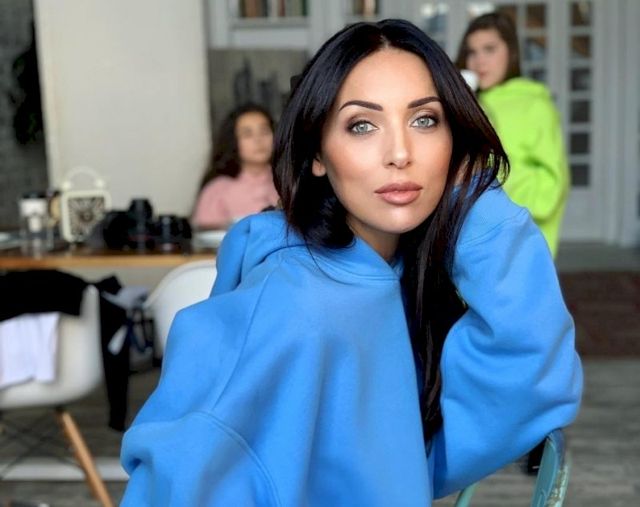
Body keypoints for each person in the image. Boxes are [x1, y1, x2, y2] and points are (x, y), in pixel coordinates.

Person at [120, 19, 582, 506]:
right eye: (362, 125)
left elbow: (526, 387)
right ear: (318, 153)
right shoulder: (299, 304)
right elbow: (178, 480)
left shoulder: (392, 274)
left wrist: (475, 204)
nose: (400, 153)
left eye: (425, 120)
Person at [456, 11, 570, 258]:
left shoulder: (535, 106)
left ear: (511, 52)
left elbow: (550, 190)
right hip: (465, 233)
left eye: (489, 49)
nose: (479, 61)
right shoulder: (465, 104)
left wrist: (490, 178)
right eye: (472, 52)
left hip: (515, 244)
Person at [191, 103, 279, 229]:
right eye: (248, 134)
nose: (258, 140)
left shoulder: (289, 182)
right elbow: (207, 237)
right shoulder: (217, 191)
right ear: (233, 141)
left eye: (264, 131)